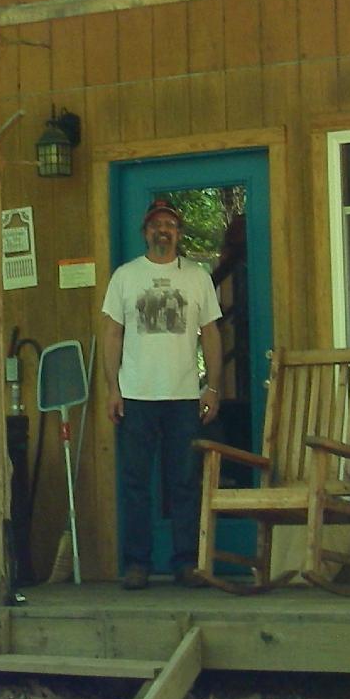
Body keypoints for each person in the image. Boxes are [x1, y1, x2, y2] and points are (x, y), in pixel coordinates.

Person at [100, 198, 222, 590]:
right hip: (136, 396)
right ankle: (138, 564)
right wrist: (112, 389)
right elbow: (112, 334)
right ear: (145, 232)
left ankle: (186, 562)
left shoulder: (198, 278)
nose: (162, 230)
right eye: (155, 224)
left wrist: (213, 386)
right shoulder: (125, 276)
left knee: (184, 481)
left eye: (169, 224)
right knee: (136, 483)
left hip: (184, 395)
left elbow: (212, 333)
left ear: (179, 233)